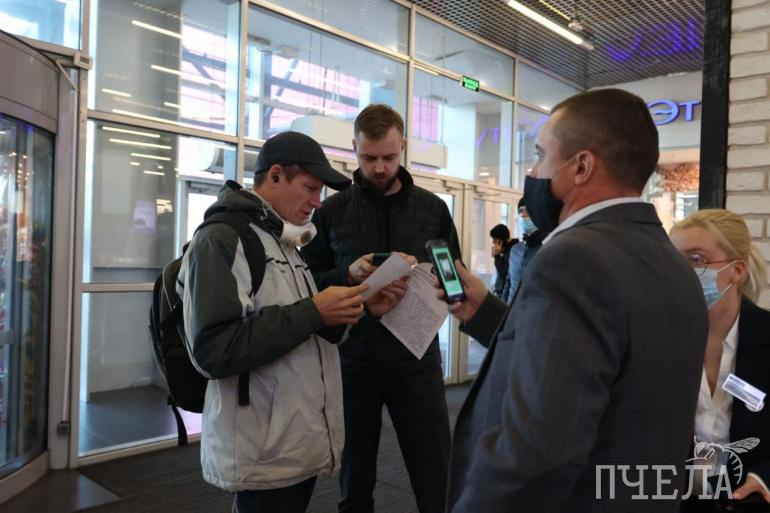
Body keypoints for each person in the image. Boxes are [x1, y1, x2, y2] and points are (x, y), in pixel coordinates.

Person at [437, 89, 709, 512]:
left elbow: (536, 453)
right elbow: (594, 362)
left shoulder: (572, 260)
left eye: (540, 155)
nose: (533, 171)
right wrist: (485, 312)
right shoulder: (672, 261)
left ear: (581, 166)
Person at [178, 131, 408, 513]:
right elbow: (214, 348)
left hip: (291, 444)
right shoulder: (222, 239)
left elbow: (303, 328)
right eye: (310, 188)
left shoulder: (282, 241)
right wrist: (315, 311)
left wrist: (360, 306)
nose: (317, 201)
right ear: (275, 176)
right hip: (260, 450)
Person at [301, 104, 460, 513]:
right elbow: (307, 281)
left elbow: (454, 278)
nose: (378, 167)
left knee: (435, 478)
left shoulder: (433, 209)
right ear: (353, 147)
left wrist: (435, 285)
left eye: (389, 157)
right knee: (355, 483)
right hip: (354, 361)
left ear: (403, 146)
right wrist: (347, 273)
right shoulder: (331, 211)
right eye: (368, 157)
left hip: (417, 358)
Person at [670, 209, 770, 509]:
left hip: (744, 501)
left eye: (695, 259)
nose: (681, 272)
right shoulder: (655, 341)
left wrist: (765, 477)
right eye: (673, 260)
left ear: (736, 270)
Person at [504, 199, 547, 302]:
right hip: (511, 308)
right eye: (520, 210)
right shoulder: (516, 250)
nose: (523, 215)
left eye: (527, 210)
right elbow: (509, 284)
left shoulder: (548, 248)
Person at [489, 223, 516, 300]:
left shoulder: (512, 253)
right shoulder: (506, 252)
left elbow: (503, 273)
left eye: (495, 239)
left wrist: (497, 256)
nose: (493, 242)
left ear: (502, 240)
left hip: (505, 296)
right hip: (500, 293)